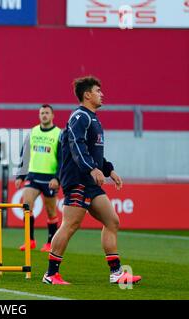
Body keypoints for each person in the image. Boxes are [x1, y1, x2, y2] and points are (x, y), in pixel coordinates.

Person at [42, 76, 141, 285]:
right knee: (70, 225)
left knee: (112, 221)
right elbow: (76, 145)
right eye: (98, 90)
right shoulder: (80, 117)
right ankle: (51, 274)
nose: (101, 94)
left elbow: (93, 152)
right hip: (78, 179)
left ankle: (116, 273)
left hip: (91, 182)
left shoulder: (93, 119)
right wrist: (91, 168)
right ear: (87, 95)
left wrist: (108, 170)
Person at [15, 104, 61, 253]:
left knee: (51, 212)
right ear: (39, 115)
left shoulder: (58, 134)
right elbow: (25, 155)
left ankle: (50, 242)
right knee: (26, 206)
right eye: (42, 113)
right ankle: (30, 240)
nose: (44, 115)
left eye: (47, 113)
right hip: (33, 176)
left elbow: (62, 159)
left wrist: (57, 178)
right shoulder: (33, 132)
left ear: (53, 116)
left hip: (50, 179)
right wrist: (20, 176)